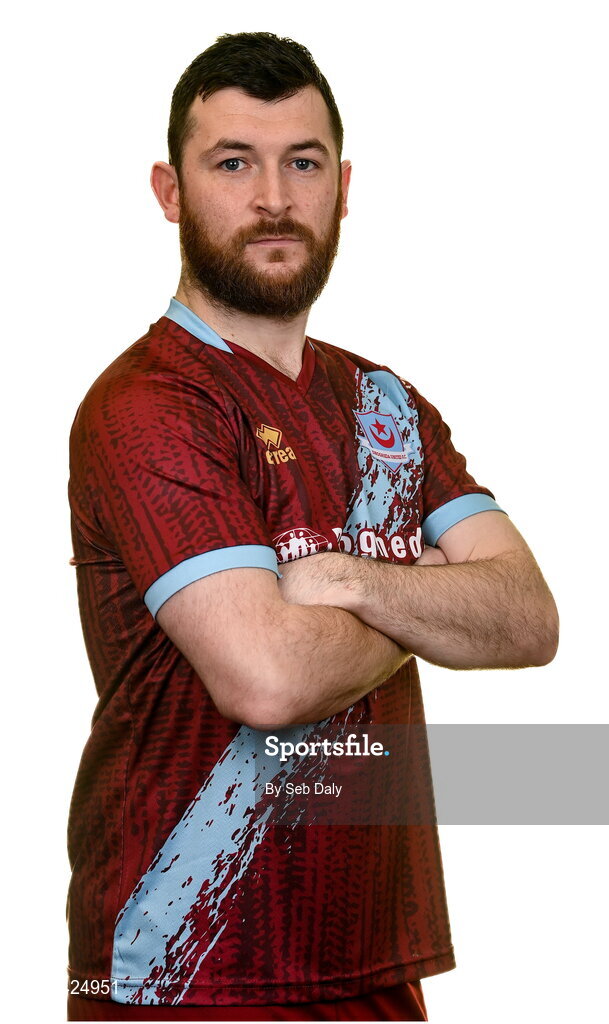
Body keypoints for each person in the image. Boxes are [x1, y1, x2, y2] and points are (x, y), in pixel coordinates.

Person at [66, 31, 558, 1022]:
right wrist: (428, 590)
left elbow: (529, 619)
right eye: (232, 163)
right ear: (169, 191)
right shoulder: (150, 404)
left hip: (373, 960)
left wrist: (352, 578)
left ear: (342, 186)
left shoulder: (385, 405)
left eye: (303, 163)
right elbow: (268, 678)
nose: (273, 198)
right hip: (190, 975)